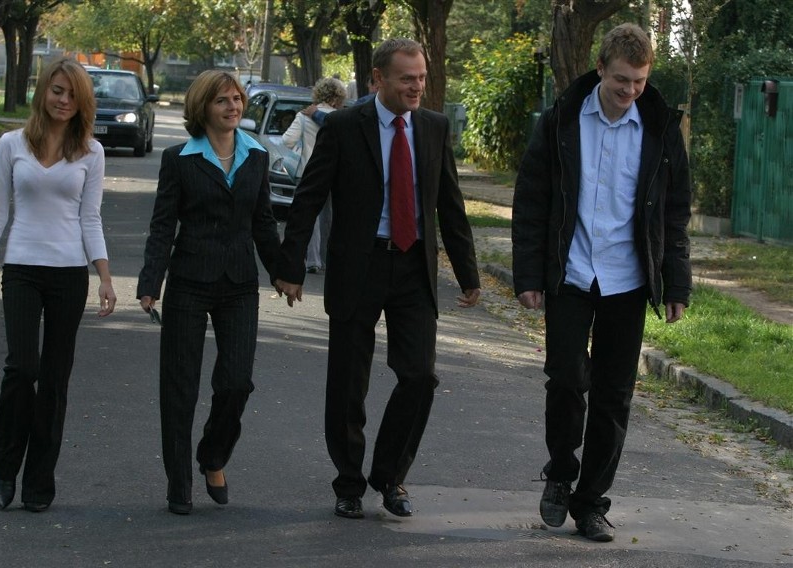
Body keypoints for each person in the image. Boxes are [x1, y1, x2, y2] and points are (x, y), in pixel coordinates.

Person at [275, 38, 481, 520]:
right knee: (349, 382)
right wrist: (290, 267)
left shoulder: (433, 127)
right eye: (407, 78)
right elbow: (309, 196)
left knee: (420, 376)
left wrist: (468, 274)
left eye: (422, 77)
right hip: (359, 265)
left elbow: (450, 205)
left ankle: (389, 476)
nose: (417, 86)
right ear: (377, 80)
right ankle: (349, 482)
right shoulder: (344, 126)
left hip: (413, 267)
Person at [511, 23, 692, 542]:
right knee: (566, 380)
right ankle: (561, 472)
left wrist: (676, 283)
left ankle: (590, 502)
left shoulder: (659, 129)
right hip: (571, 272)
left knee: (614, 395)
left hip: (628, 279)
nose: (629, 91)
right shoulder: (562, 120)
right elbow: (532, 198)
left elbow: (674, 211)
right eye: (620, 80)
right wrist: (528, 273)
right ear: (600, 70)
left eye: (639, 81)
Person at [0, 57, 117, 513]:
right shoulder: (11, 144)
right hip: (22, 270)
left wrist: (105, 277)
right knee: (22, 369)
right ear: (43, 92)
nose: (63, 100)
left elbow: (90, 218)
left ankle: (39, 481)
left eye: (72, 94)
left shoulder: (91, 152)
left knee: (54, 379)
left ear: (82, 102)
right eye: (57, 90)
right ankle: (5, 465)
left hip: (69, 274)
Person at [136, 70, 280, 515]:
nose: (233, 106)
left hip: (239, 284)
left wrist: (282, 273)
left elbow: (263, 221)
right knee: (179, 387)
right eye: (222, 100)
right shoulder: (179, 159)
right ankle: (178, 484)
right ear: (203, 107)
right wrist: (150, 282)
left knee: (237, 382)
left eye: (236, 99)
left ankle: (213, 455)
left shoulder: (256, 155)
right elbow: (164, 225)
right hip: (189, 282)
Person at [282, 77, 347, 273]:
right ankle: (328, 258)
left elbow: (287, 140)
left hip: (307, 171)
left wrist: (301, 148)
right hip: (335, 174)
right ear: (337, 97)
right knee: (330, 217)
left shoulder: (304, 116)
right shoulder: (342, 118)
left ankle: (312, 260)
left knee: (310, 216)